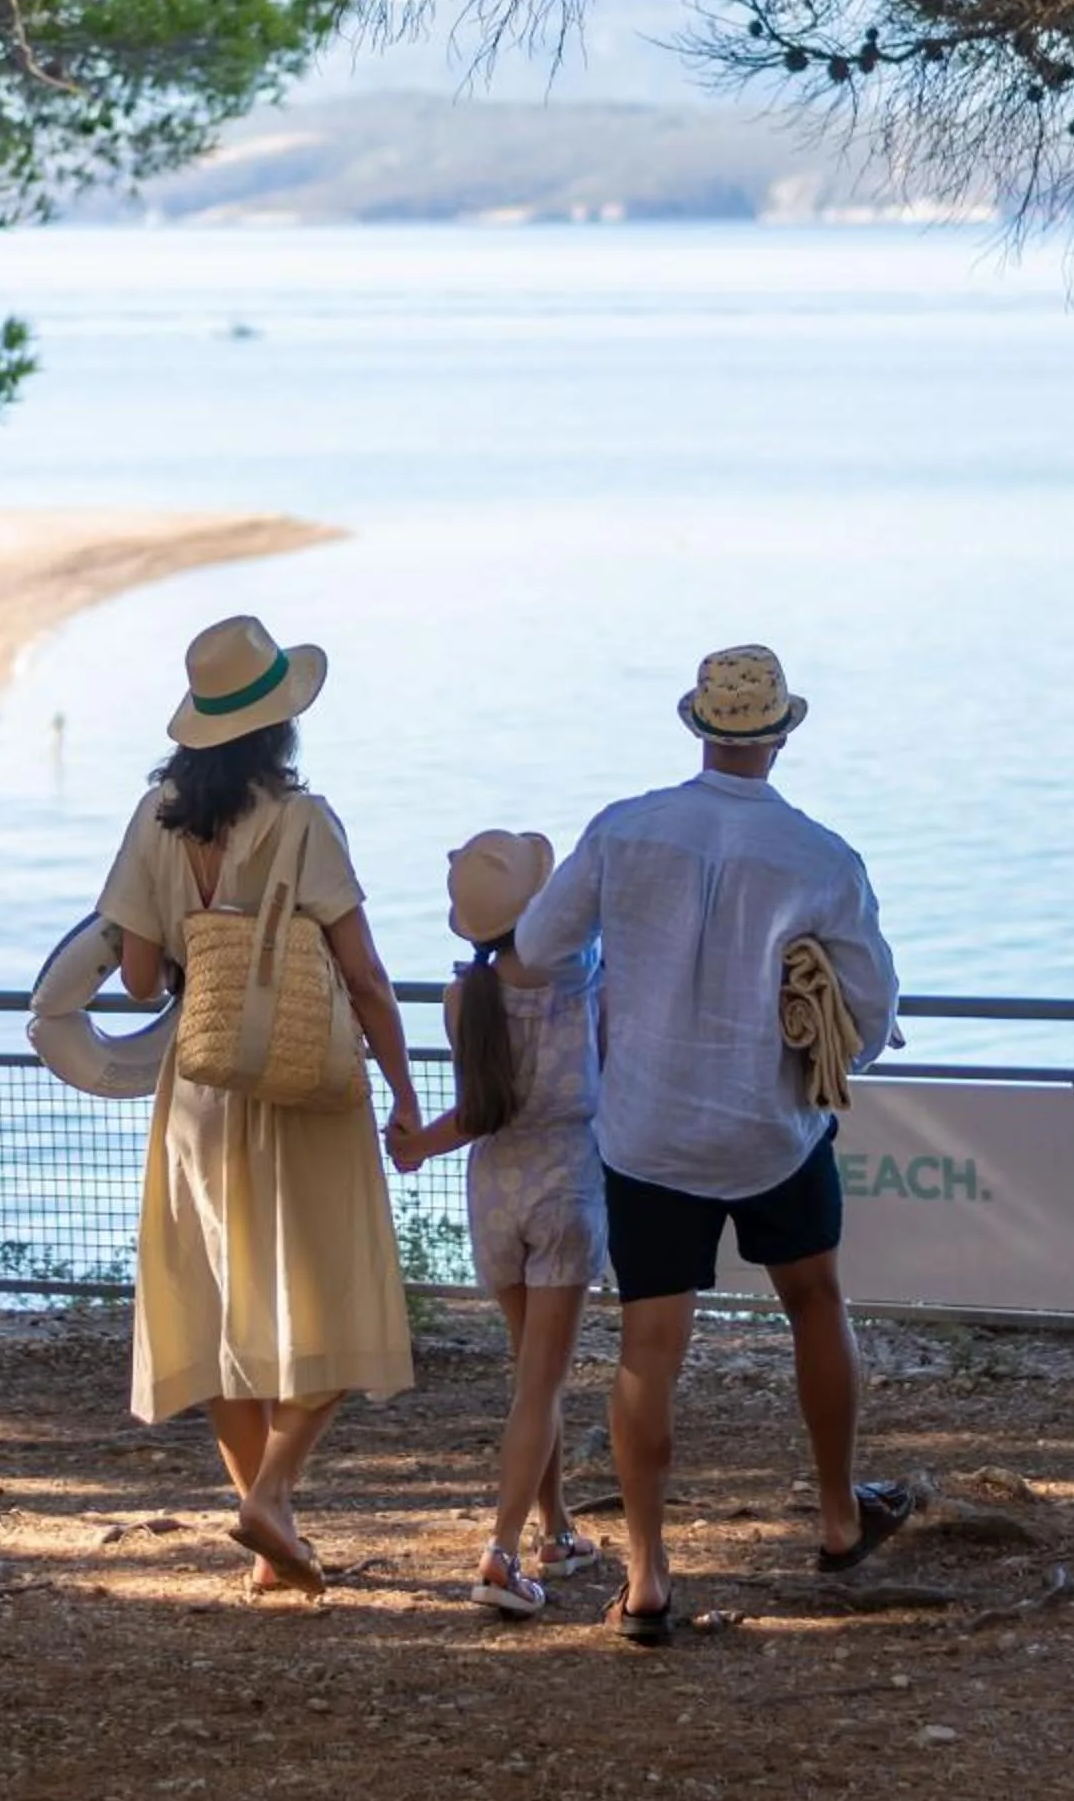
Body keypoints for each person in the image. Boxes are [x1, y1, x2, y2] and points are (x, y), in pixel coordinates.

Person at [507, 644, 907, 1645]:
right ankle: (838, 1513)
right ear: (779, 734)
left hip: (647, 1130)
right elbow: (873, 998)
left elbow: (540, 948)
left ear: (698, 727)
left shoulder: (625, 827)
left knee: (650, 1346)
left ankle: (645, 1575)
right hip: (772, 1123)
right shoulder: (822, 856)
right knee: (815, 1298)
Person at [99, 616, 422, 1598]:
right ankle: (271, 1493)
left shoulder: (156, 815)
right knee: (343, 1288)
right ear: (279, 725)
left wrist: (210, 953)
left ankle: (271, 1531)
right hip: (305, 1083)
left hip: (202, 1088)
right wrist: (406, 1091)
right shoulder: (305, 820)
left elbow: (142, 978)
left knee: (221, 1304)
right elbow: (363, 974)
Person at [387, 832, 605, 1617]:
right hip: (568, 1190)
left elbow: (481, 1112)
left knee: (530, 1382)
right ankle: (503, 1553)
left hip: (494, 1197)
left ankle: (558, 1530)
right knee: (541, 1383)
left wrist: (415, 1147)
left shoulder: (463, 999)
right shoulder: (587, 982)